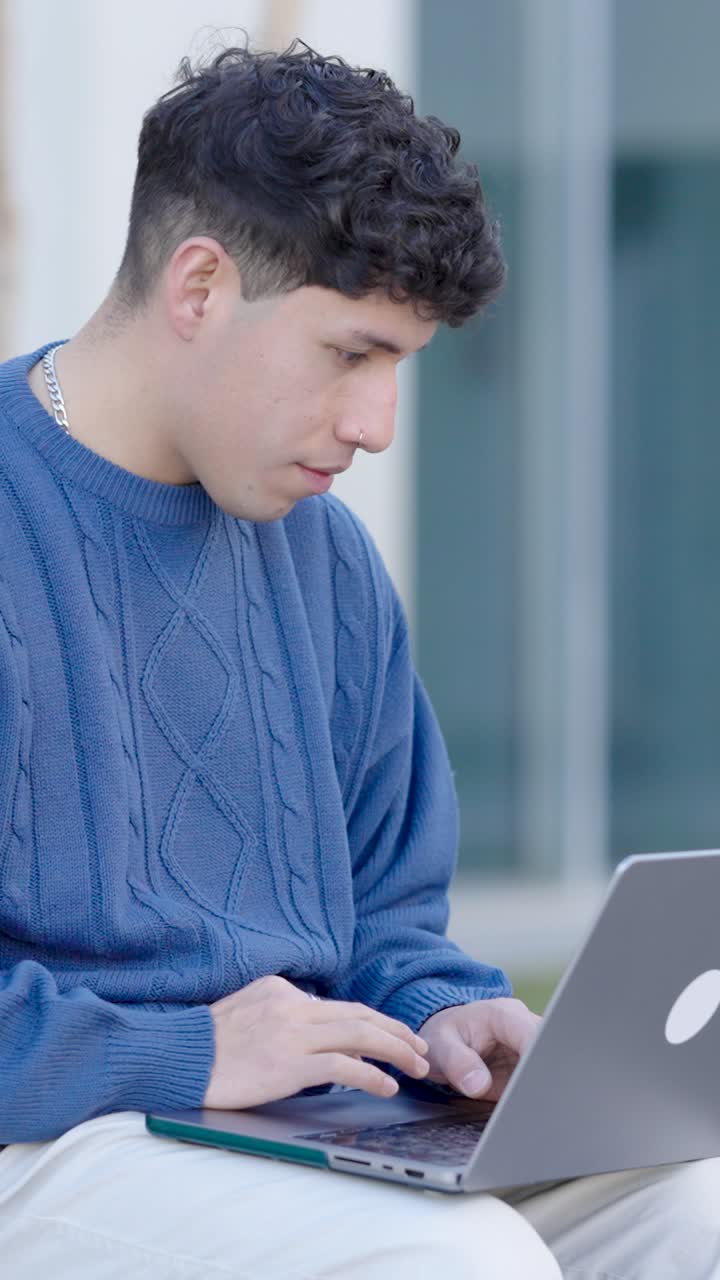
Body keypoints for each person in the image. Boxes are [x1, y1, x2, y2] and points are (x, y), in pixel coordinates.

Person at [0, 33, 717, 1279]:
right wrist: (188, 1054)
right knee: (461, 1262)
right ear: (201, 286)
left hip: (295, 1120)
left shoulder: (323, 558)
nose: (376, 427)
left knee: (691, 1208)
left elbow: (388, 912)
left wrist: (445, 1008)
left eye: (402, 366)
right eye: (351, 354)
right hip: (53, 1134)